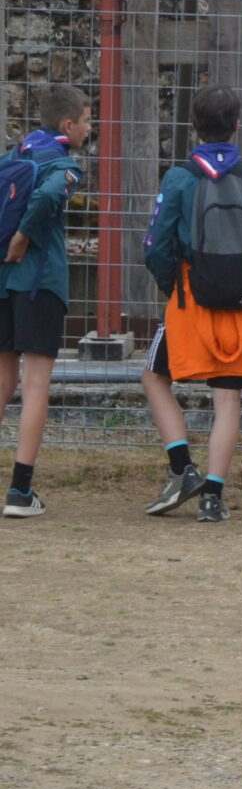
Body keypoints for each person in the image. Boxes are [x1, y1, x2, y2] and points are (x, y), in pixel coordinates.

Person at [140, 86, 242, 524]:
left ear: (193, 126)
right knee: (227, 399)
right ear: (238, 126)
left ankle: (183, 468)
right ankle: (213, 498)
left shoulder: (179, 178)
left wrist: (174, 287)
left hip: (190, 299)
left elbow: (156, 246)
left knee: (154, 377)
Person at [0, 83, 93, 518]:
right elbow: (50, 195)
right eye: (88, 120)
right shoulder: (64, 164)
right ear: (68, 124)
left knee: (3, 380)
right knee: (36, 384)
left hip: (3, 282)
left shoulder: (13, 155)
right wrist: (23, 238)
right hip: (39, 283)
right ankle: (20, 491)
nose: (90, 129)